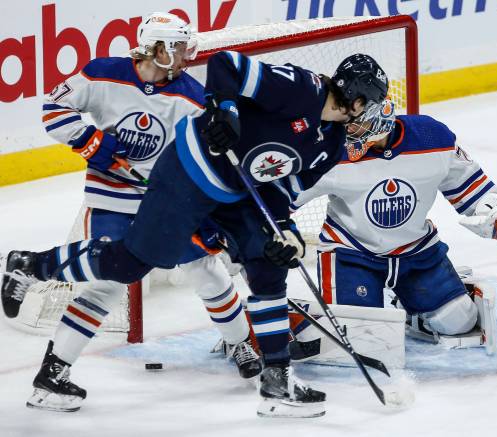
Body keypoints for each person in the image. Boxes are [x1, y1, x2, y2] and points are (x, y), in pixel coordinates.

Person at [1, 51, 387, 417]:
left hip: (237, 193)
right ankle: (31, 265)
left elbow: (281, 187)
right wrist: (226, 110)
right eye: (368, 105)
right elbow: (226, 66)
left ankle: (277, 382)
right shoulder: (301, 87)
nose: (368, 116)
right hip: (188, 169)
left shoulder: (332, 145)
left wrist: (282, 230)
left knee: (268, 262)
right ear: (355, 98)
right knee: (128, 265)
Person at [3, 12, 261, 413]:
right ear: (156, 49)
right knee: (108, 283)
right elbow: (54, 108)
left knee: (205, 269)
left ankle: (239, 342)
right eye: (177, 48)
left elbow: (199, 162)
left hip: (164, 202)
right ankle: (52, 374)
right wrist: (93, 144)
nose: (185, 56)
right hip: (111, 198)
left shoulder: (191, 98)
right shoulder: (103, 74)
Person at [291, 56, 497, 342]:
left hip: (417, 252)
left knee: (460, 321)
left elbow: (475, 195)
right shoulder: (327, 151)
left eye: (353, 120)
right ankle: (278, 322)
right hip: (352, 254)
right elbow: (281, 200)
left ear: (376, 111)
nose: (344, 127)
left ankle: (420, 308)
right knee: (362, 338)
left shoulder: (431, 137)